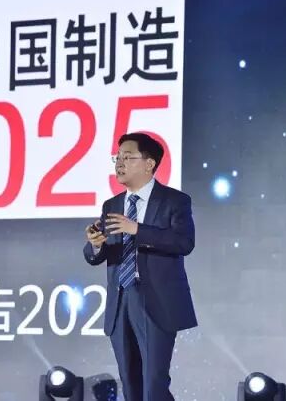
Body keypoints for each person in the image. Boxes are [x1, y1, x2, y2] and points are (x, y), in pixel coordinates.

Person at [83, 132, 197, 401]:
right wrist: (96, 245)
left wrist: (137, 229)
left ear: (149, 164)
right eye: (117, 158)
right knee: (130, 382)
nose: (119, 163)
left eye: (128, 157)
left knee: (154, 383)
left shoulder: (174, 201)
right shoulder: (112, 205)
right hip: (120, 300)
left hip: (156, 301)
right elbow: (97, 255)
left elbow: (184, 242)